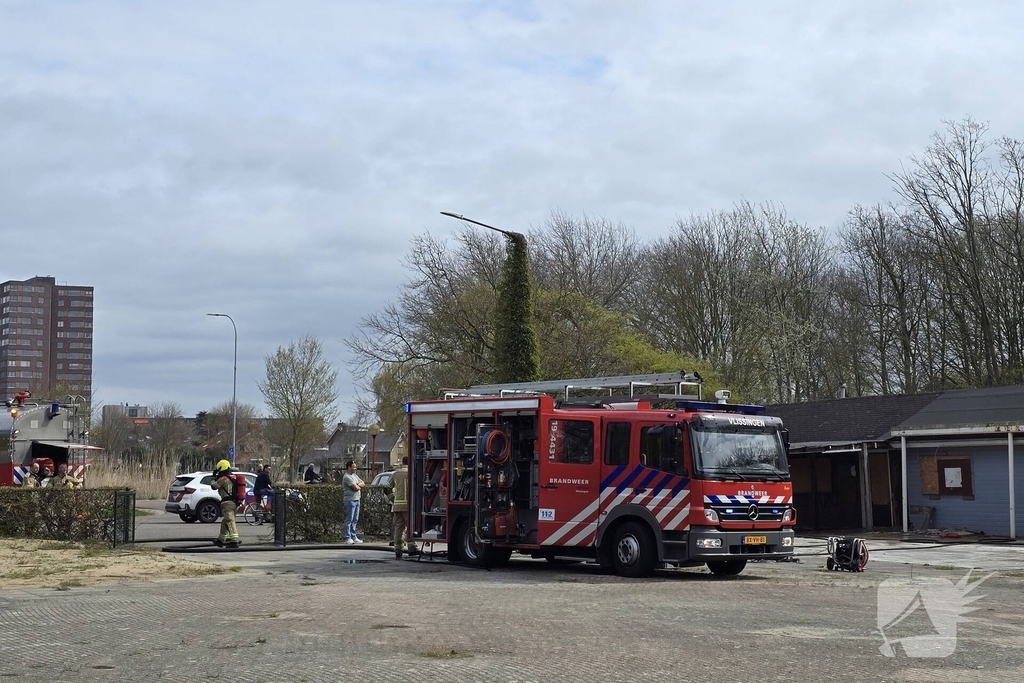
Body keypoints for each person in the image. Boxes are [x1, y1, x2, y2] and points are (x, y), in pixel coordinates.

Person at [389, 457, 418, 559]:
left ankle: (397, 549)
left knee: (398, 527)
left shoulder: (396, 474)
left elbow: (387, 488)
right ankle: (412, 547)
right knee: (410, 526)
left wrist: (393, 500)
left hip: (397, 506)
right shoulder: (412, 473)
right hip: (408, 506)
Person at [211, 459, 240, 548]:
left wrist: (212, 478)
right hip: (234, 503)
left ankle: (234, 541)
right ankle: (221, 540)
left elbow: (214, 486)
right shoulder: (232, 477)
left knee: (229, 521)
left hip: (227, 503)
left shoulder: (224, 479)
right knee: (225, 522)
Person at [342, 460, 365, 544]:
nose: (355, 468)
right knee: (349, 519)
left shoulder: (354, 475)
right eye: (353, 467)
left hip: (357, 499)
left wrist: (358, 484)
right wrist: (358, 485)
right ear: (349, 467)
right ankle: (348, 537)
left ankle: (353, 536)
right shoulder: (347, 477)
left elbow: (363, 483)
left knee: (355, 519)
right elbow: (355, 487)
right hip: (350, 500)